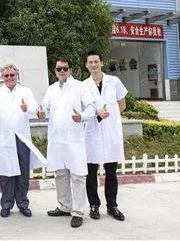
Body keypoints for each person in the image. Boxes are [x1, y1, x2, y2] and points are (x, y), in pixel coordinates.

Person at [41, 57, 104, 228]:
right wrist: (42, 113)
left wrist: (81, 116)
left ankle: (77, 212)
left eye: (65, 68)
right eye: (59, 69)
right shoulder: (52, 89)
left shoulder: (80, 87)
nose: (62, 71)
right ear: (55, 71)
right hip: (57, 139)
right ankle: (65, 206)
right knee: (60, 174)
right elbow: (45, 108)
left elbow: (92, 108)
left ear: (70, 70)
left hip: (74, 139)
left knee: (77, 176)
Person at [0, 63, 43, 218]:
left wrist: (27, 108)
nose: (9, 78)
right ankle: (6, 205)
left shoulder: (26, 91)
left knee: (23, 173)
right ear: (2, 77)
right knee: (6, 174)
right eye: (6, 75)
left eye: (12, 75)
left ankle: (23, 204)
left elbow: (36, 110)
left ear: (17, 76)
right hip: (4, 139)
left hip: (21, 138)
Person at [83, 50, 128, 221]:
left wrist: (112, 119)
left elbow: (122, 104)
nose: (93, 65)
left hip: (110, 132)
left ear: (102, 63)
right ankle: (94, 205)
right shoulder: (83, 85)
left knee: (111, 172)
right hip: (92, 132)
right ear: (86, 65)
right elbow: (83, 109)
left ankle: (112, 205)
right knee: (91, 172)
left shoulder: (114, 81)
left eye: (96, 61)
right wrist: (97, 113)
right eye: (90, 62)